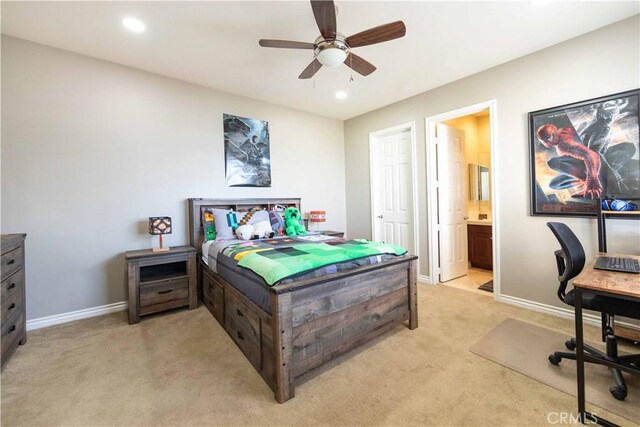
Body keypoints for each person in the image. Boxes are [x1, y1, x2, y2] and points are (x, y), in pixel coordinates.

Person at [536, 124, 602, 199]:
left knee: (552, 162)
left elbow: (591, 154)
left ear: (555, 132)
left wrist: (592, 179)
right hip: (581, 168)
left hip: (589, 165)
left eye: (550, 138)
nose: (548, 143)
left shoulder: (563, 144)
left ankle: (586, 181)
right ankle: (584, 181)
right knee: (554, 184)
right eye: (544, 141)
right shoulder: (563, 131)